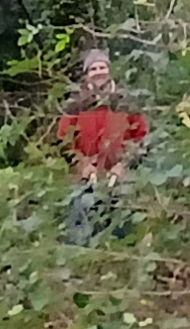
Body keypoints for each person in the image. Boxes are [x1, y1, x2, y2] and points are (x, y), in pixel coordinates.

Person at [55, 49, 148, 243]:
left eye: (102, 67)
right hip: (86, 177)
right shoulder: (76, 103)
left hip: (120, 176)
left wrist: (123, 165)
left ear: (109, 70)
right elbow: (63, 140)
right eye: (93, 68)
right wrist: (83, 164)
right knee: (81, 218)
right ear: (87, 74)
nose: (98, 72)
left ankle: (122, 256)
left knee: (123, 223)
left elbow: (141, 138)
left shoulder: (125, 100)